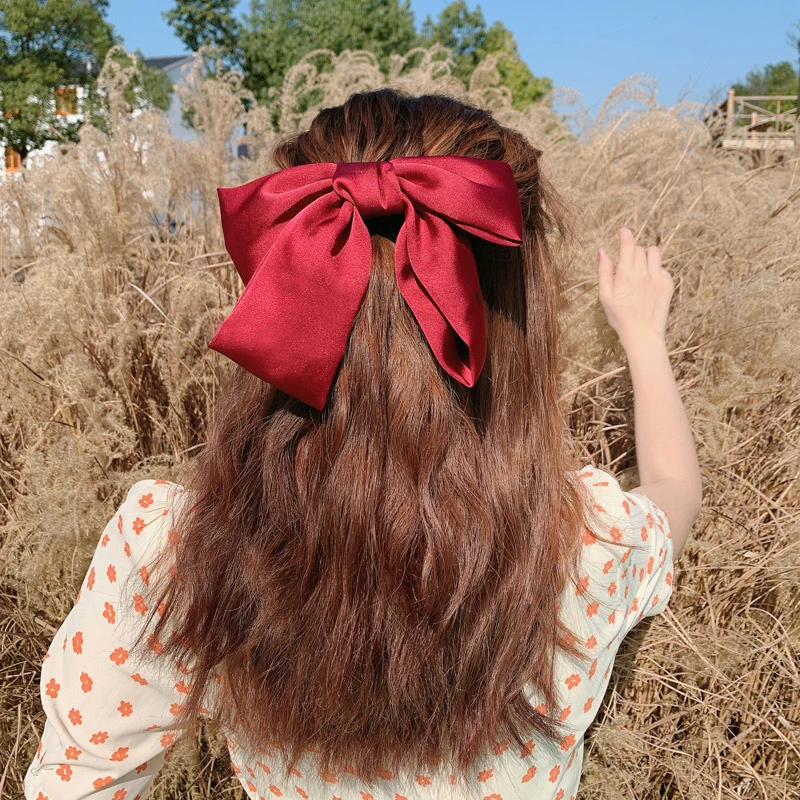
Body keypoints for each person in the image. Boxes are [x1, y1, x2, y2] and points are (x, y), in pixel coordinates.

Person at [23, 89, 701, 800]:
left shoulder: (177, 549)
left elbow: (78, 781)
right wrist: (643, 337)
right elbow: (678, 487)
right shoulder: (586, 547)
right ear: (515, 313)